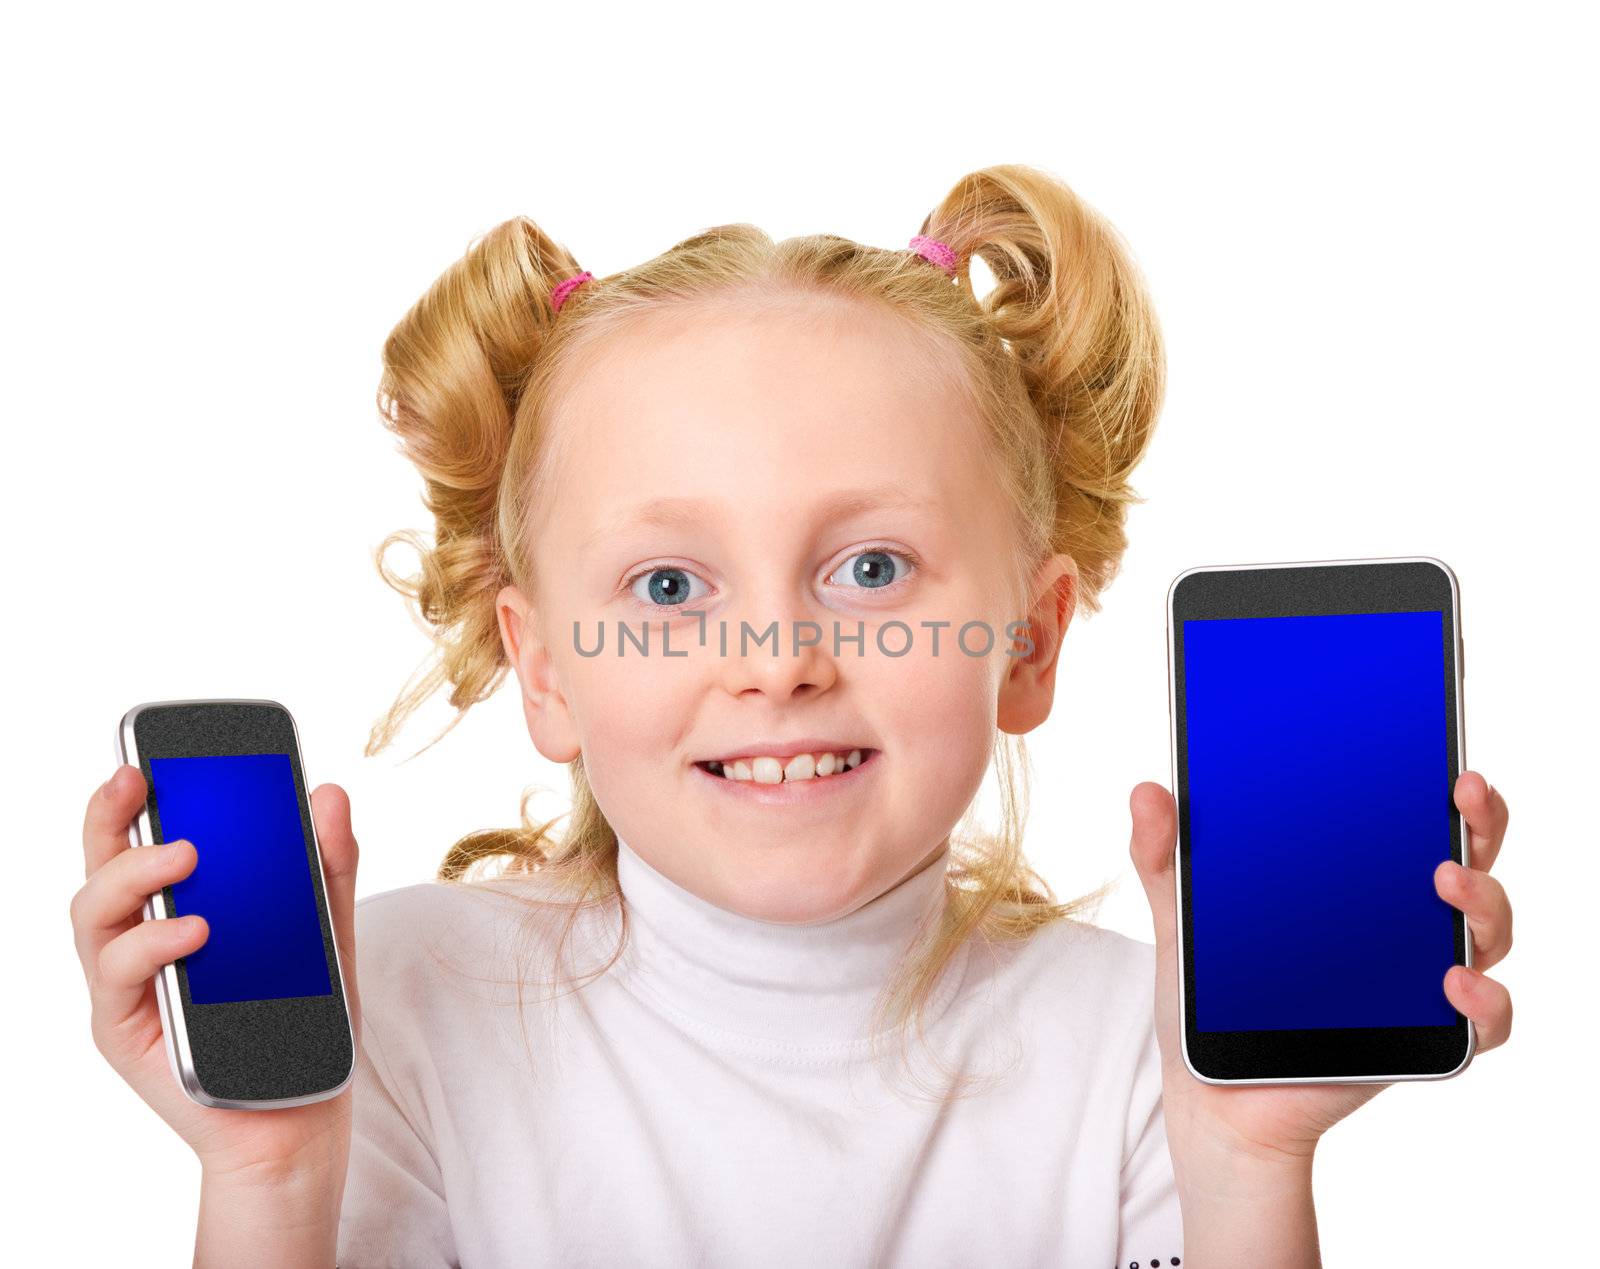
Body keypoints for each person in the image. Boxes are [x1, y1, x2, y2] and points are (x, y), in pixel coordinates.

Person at [73, 163, 1515, 1268]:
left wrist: (1247, 1161)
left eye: (871, 567)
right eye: (668, 581)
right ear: (548, 669)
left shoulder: (1143, 1053)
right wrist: (263, 1186)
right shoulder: (393, 1010)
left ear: (1030, 641)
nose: (776, 659)